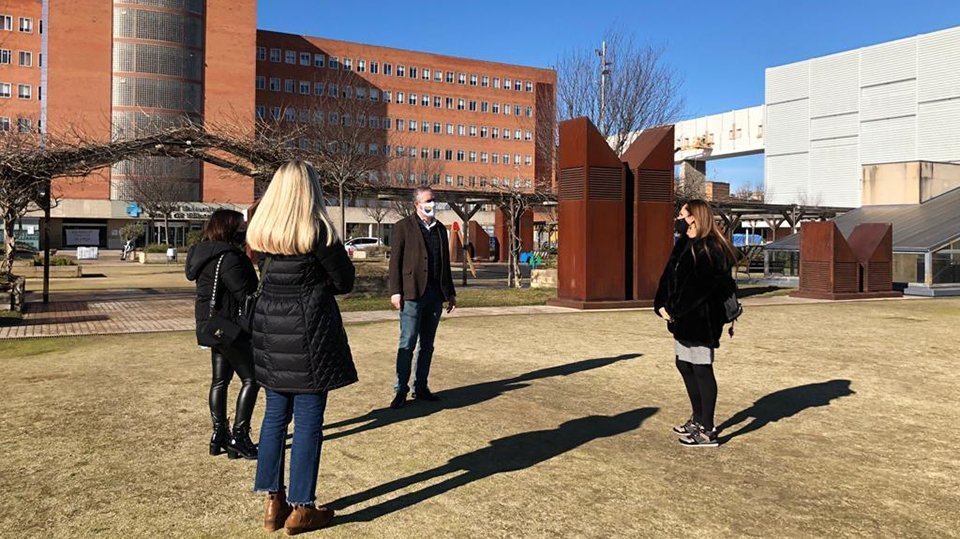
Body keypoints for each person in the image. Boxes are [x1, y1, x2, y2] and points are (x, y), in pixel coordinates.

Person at [246, 160, 357, 534]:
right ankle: (302, 506)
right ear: (310, 191)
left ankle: (273, 501)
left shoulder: (264, 233)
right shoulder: (319, 233)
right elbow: (344, 282)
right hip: (309, 335)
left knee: (275, 416)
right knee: (309, 419)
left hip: (271, 335)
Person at [654, 199, 738, 448]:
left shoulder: (710, 247)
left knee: (701, 368)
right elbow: (669, 276)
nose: (678, 218)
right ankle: (697, 418)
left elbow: (699, 288)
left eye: (682, 214)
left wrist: (676, 309)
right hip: (682, 319)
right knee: (684, 364)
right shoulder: (684, 243)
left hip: (702, 319)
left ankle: (707, 428)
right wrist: (661, 304)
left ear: (693, 217)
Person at [185, 209, 260, 460]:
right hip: (229, 327)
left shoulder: (204, 254)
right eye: (240, 226)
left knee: (220, 380)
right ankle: (240, 435)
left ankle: (219, 434)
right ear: (229, 228)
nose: (244, 230)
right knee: (252, 378)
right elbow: (246, 293)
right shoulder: (229, 257)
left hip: (211, 325)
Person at [388, 186, 457, 409]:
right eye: (428, 200)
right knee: (407, 342)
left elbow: (445, 263)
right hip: (411, 294)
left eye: (434, 200)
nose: (432, 204)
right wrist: (395, 291)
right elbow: (394, 263)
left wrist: (450, 292)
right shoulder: (402, 227)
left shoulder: (439, 230)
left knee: (427, 345)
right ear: (417, 204)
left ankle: (421, 387)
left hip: (435, 295)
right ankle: (400, 389)